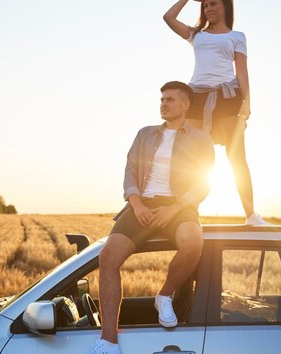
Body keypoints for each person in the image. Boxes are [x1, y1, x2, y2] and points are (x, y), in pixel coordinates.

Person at [88, 81, 214, 354]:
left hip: (179, 206)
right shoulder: (145, 134)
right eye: (162, 100)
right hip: (141, 205)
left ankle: (165, 294)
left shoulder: (200, 138)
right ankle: (108, 340)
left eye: (169, 100)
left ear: (185, 104)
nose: (164, 104)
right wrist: (137, 204)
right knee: (108, 257)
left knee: (193, 243)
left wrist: (175, 208)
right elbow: (131, 171)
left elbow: (203, 182)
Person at [163, 0, 267, 226]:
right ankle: (185, 214)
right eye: (206, 5)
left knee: (236, 155)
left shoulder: (237, 36)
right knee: (191, 158)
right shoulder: (196, 35)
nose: (208, 9)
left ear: (225, 7)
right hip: (196, 98)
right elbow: (168, 18)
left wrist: (246, 103)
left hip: (228, 96)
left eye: (213, 4)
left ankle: (251, 214)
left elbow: (242, 71)